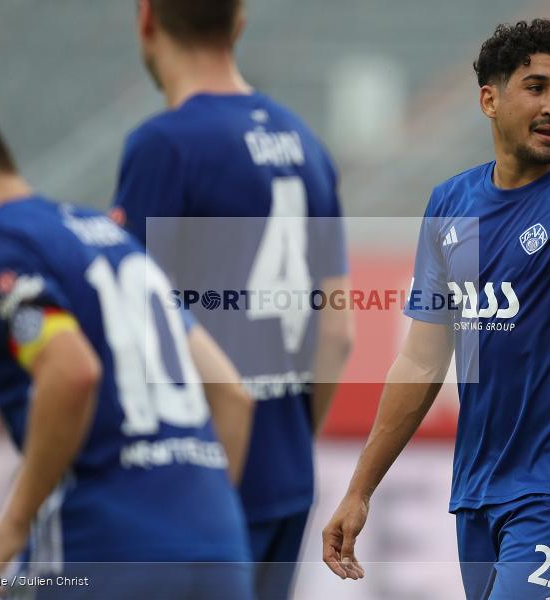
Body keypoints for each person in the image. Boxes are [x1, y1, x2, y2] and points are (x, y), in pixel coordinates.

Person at [322, 19, 550, 600]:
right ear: (490, 98)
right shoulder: (452, 204)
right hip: (480, 492)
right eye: (536, 87)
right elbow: (421, 360)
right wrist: (360, 489)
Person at [0, 94, 255, 599]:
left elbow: (71, 371)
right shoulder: (111, 238)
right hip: (219, 554)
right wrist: (192, 526)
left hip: (104, 553)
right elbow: (231, 392)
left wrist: (11, 524)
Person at [112, 1, 354, 597]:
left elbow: (127, 324)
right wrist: (290, 438)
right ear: (238, 24)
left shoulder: (163, 146)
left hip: (193, 488)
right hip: (287, 475)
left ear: (146, 18)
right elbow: (339, 332)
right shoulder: (305, 142)